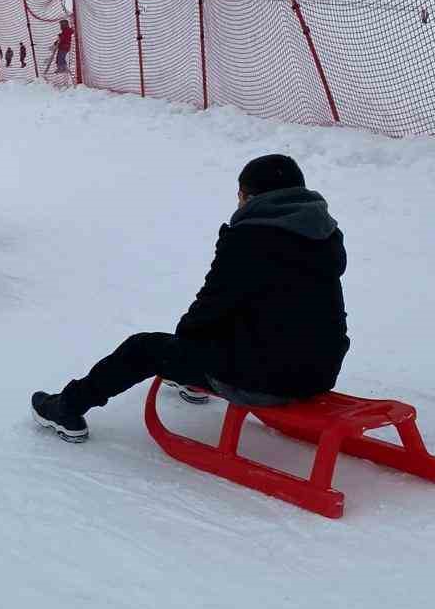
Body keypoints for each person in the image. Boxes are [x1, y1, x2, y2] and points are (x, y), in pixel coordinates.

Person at [30, 155, 349, 443]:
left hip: (262, 381)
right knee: (264, 318)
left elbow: (211, 307)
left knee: (143, 347)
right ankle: (189, 375)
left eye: (239, 194)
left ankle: (66, 407)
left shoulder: (249, 239)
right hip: (319, 373)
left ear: (250, 197)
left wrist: (184, 349)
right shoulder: (324, 235)